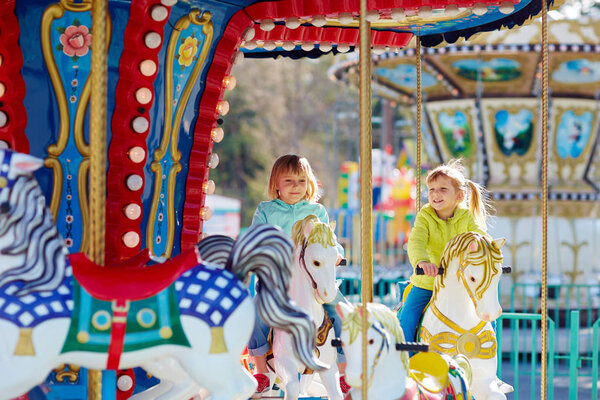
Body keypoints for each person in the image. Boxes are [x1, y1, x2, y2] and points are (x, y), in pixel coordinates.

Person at [248, 154, 350, 394]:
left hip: (312, 281)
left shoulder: (317, 211)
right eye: (289, 181)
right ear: (276, 185)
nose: (296, 187)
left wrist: (336, 253)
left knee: (341, 311)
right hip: (276, 280)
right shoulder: (266, 211)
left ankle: (344, 367)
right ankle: (262, 369)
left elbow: (329, 241)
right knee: (256, 312)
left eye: (302, 181)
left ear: (310, 184)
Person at [399, 159, 490, 343]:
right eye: (431, 189)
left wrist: (484, 248)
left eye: (442, 189)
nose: (435, 194)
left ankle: (489, 353)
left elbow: (480, 235)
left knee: (487, 315)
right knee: (408, 316)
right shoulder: (425, 216)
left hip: (460, 284)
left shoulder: (466, 217)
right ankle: (404, 357)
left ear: (459, 195)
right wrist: (422, 262)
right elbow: (416, 241)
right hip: (428, 283)